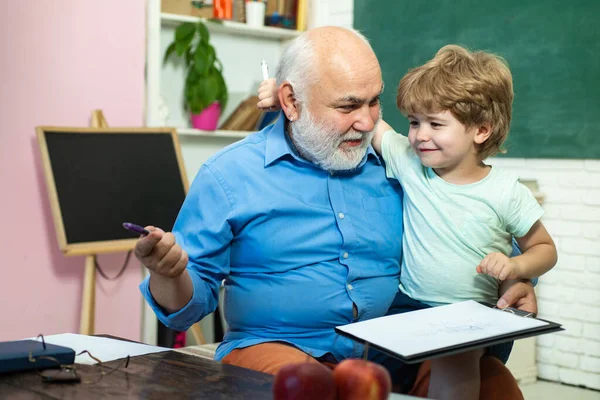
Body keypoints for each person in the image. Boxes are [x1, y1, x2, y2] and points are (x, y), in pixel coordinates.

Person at [136, 27, 537, 398]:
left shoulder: (402, 167)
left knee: (492, 382)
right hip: (277, 348)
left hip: (390, 352)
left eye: (374, 101)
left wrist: (514, 280)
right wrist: (168, 275)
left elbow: (465, 228)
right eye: (348, 105)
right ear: (291, 101)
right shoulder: (229, 175)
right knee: (312, 388)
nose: (366, 122)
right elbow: (183, 308)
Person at [259, 44, 557, 399]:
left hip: (471, 316)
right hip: (410, 306)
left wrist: (515, 264)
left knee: (455, 368)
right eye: (415, 122)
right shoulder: (410, 162)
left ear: (481, 130)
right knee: (368, 365)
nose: (420, 135)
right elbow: (365, 120)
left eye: (436, 124)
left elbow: (544, 248)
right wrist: (293, 98)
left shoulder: (506, 191)